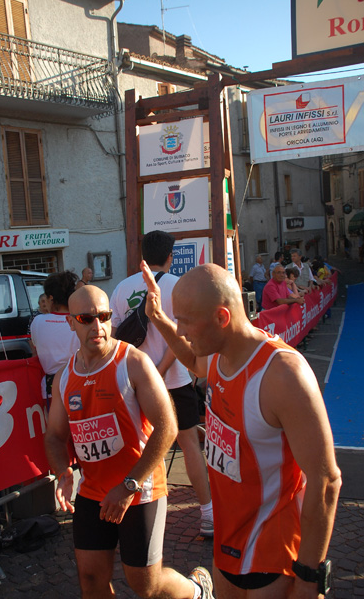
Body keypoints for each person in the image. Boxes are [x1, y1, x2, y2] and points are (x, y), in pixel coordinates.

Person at [141, 260, 341, 599]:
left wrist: (309, 576)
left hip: (272, 552)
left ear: (222, 318)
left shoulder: (283, 375)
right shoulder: (217, 352)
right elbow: (192, 360)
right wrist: (158, 318)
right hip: (228, 541)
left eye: (186, 322)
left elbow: (326, 482)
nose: (183, 330)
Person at [44, 285, 214, 599]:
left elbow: (167, 427)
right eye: (86, 318)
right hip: (93, 492)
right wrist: (63, 471)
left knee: (145, 585)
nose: (97, 326)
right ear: (70, 322)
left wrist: (129, 484)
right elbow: (55, 436)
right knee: (91, 581)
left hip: (140, 490)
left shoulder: (133, 362)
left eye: (104, 316)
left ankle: (196, 591)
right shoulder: (65, 377)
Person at [110, 230, 213, 537]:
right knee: (189, 445)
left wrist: (145, 372)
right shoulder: (178, 285)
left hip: (135, 383)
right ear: (170, 256)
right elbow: (179, 335)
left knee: (135, 447)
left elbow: (117, 339)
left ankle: (131, 510)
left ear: (142, 254)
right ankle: (207, 515)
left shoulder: (121, 288)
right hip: (174, 380)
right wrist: (160, 369)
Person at [31, 271, 80, 406]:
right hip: (78, 382)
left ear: (51, 298)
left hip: (50, 388)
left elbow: (36, 346)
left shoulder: (37, 322)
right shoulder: (80, 321)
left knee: (55, 426)